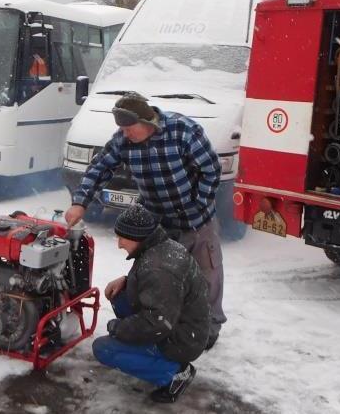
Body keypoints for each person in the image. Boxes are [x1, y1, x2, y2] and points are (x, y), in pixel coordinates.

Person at [65, 92, 225, 349]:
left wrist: (198, 203)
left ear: (147, 121)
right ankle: (155, 322)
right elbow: (100, 168)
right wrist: (80, 202)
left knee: (206, 273)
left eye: (129, 128)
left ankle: (209, 328)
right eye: (121, 128)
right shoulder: (123, 141)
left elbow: (211, 169)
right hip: (157, 223)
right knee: (156, 275)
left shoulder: (182, 131)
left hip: (196, 221)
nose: (125, 133)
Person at [92, 204, 210, 403]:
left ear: (137, 236)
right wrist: (126, 281)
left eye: (122, 238)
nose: (119, 244)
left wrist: (119, 328)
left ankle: (174, 373)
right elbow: (160, 291)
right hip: (183, 323)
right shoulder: (159, 247)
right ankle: (146, 350)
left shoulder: (158, 267)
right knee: (120, 297)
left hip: (182, 340)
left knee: (103, 348)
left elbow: (157, 322)